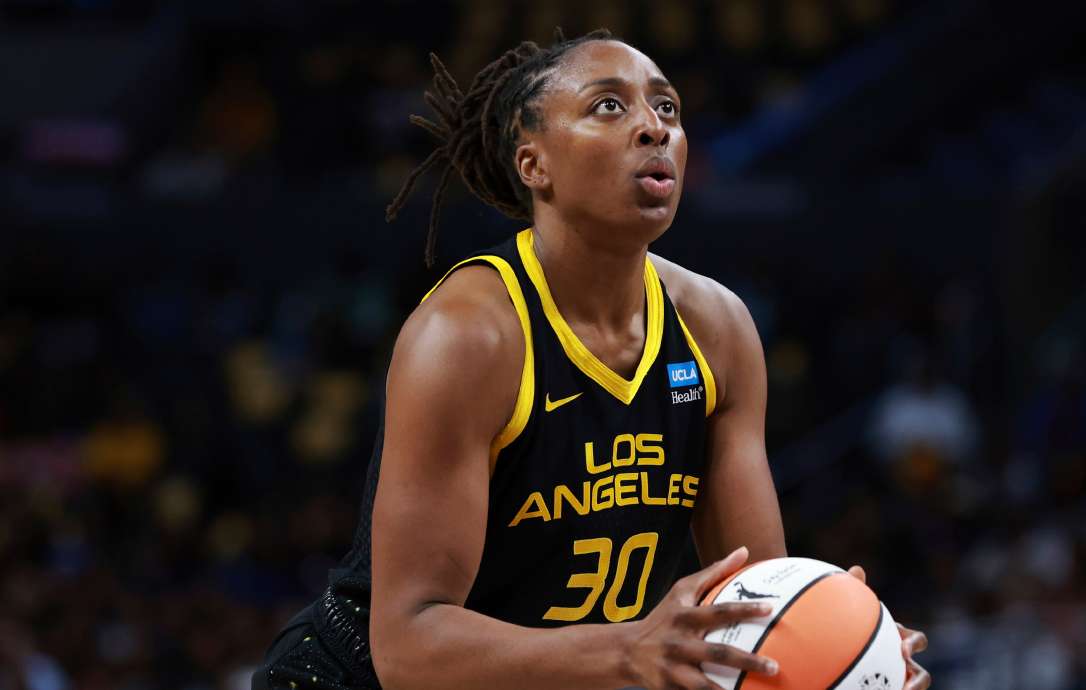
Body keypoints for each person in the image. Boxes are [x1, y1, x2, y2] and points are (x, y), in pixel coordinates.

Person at [252, 28, 931, 690]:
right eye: (609, 105)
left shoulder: (717, 330)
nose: (654, 127)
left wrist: (842, 643)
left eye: (667, 108)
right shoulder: (469, 336)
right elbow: (409, 648)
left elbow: (753, 601)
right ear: (534, 165)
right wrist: (628, 647)